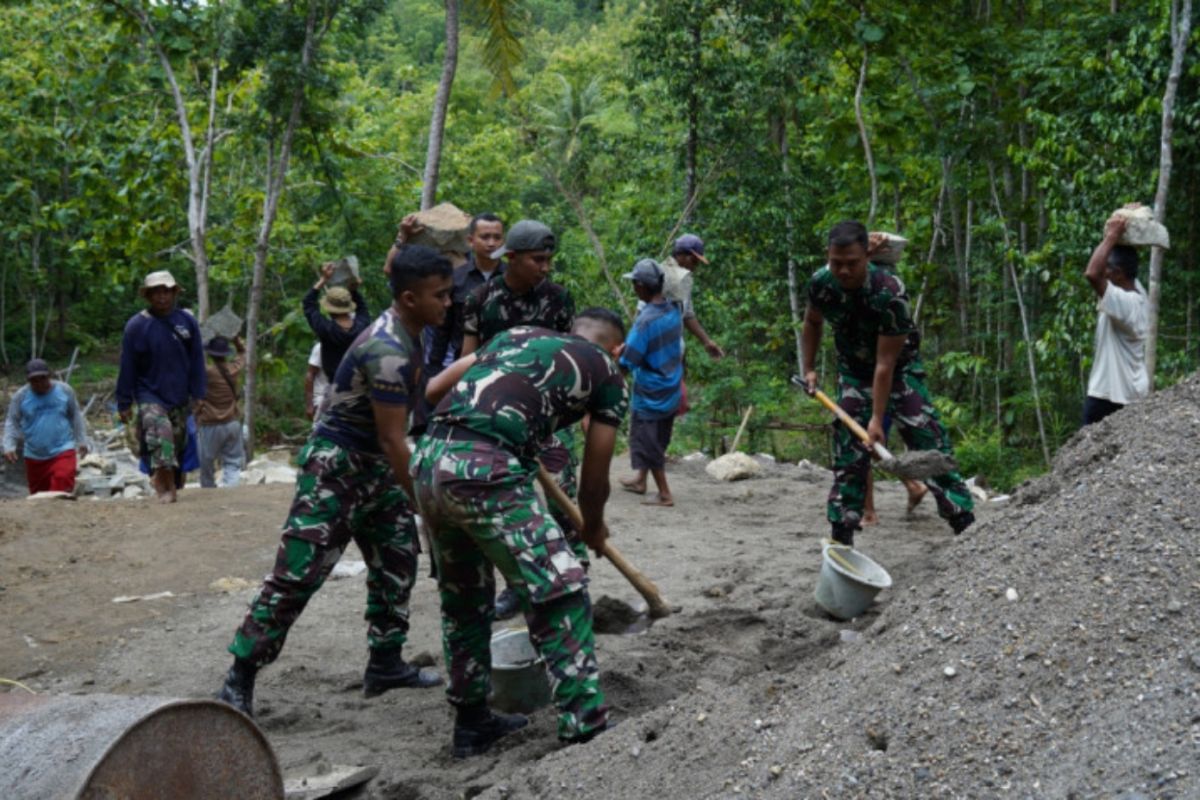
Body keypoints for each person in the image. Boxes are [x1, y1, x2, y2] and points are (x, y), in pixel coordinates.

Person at [216, 245, 454, 718]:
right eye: (440, 295)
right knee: (299, 573)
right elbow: (392, 439)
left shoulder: (414, 332)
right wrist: (426, 503)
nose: (448, 303)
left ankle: (385, 663)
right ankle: (239, 674)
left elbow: (407, 418)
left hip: (375, 468)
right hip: (338, 468)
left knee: (398, 558)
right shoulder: (387, 348)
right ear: (409, 298)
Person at [411, 309, 629, 757]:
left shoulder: (513, 336)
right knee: (561, 588)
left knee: (466, 599)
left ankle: (472, 724)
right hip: (484, 468)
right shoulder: (607, 372)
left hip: (429, 461)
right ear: (617, 349)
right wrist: (592, 525)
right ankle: (585, 729)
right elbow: (595, 474)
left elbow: (434, 391)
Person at [801, 221, 973, 546]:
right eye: (837, 263)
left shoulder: (889, 292)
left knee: (927, 440)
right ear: (828, 256)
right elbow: (812, 321)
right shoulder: (822, 284)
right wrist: (808, 368)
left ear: (867, 255)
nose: (844, 271)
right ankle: (843, 534)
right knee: (850, 448)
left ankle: (964, 523)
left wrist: (877, 419)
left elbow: (885, 365)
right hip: (853, 371)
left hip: (900, 371)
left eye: (852, 263)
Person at [460, 219, 578, 619]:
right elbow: (468, 358)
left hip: (549, 416)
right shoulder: (481, 299)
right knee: (507, 501)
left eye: (549, 260)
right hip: (496, 417)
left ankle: (571, 573)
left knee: (564, 497)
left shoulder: (559, 300)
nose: (545, 267)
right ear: (511, 258)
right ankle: (516, 584)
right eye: (537, 260)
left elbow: (568, 356)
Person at [116, 270, 207, 504]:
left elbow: (197, 360)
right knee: (161, 435)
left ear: (174, 293)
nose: (162, 297)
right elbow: (127, 366)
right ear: (148, 296)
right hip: (149, 393)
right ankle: (164, 486)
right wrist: (124, 402)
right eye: (156, 292)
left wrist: (199, 394)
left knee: (177, 443)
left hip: (179, 394)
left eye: (166, 291)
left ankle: (170, 481)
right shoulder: (136, 326)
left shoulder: (187, 323)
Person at [617, 259, 683, 507]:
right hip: (671, 385)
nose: (633, 288)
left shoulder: (645, 321)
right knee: (658, 436)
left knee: (648, 441)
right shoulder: (673, 310)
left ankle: (664, 493)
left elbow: (630, 359)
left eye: (635, 283)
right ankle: (640, 480)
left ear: (642, 286)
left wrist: (613, 373)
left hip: (650, 392)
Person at [1082, 214, 1148, 425]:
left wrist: (1110, 237)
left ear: (1118, 274)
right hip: (1129, 392)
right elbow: (1127, 259)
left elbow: (1092, 274)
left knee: (1085, 454)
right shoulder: (1137, 290)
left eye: (1107, 269)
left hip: (1111, 396)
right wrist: (1130, 219)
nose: (1103, 271)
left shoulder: (1125, 304)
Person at [428, 213, 505, 373]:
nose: (491, 243)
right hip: (463, 365)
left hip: (505, 364)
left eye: (497, 238)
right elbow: (443, 328)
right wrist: (434, 367)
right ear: (470, 241)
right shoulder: (456, 278)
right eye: (485, 237)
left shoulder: (513, 278)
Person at [3, 358, 89, 495]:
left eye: (42, 379)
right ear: (28, 381)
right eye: (34, 380)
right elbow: (12, 421)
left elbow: (76, 416)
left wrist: (82, 440)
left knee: (62, 480)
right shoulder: (21, 396)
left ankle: (61, 514)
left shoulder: (64, 391)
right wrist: (9, 445)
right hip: (34, 454)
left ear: (49, 376)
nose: (39, 384)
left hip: (62, 448)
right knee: (39, 497)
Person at [303, 263, 370, 389]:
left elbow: (308, 304)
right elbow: (362, 309)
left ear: (329, 309)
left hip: (337, 388)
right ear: (348, 306)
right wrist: (353, 290)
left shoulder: (326, 330)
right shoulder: (362, 326)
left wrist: (323, 279)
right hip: (362, 388)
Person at [661, 233, 723, 359]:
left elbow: (687, 314)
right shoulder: (665, 275)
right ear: (682, 255)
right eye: (694, 261)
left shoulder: (685, 277)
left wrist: (707, 342)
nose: (695, 267)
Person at [194, 336, 245, 488]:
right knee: (232, 462)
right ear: (225, 353)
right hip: (232, 422)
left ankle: (209, 495)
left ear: (210, 354)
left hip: (210, 424)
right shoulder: (234, 369)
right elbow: (243, 354)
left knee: (206, 465)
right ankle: (231, 491)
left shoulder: (205, 373)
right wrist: (236, 340)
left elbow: (189, 361)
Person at [304, 342, 329, 426]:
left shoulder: (350, 346)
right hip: (321, 398)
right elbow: (310, 375)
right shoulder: (320, 347)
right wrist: (309, 405)